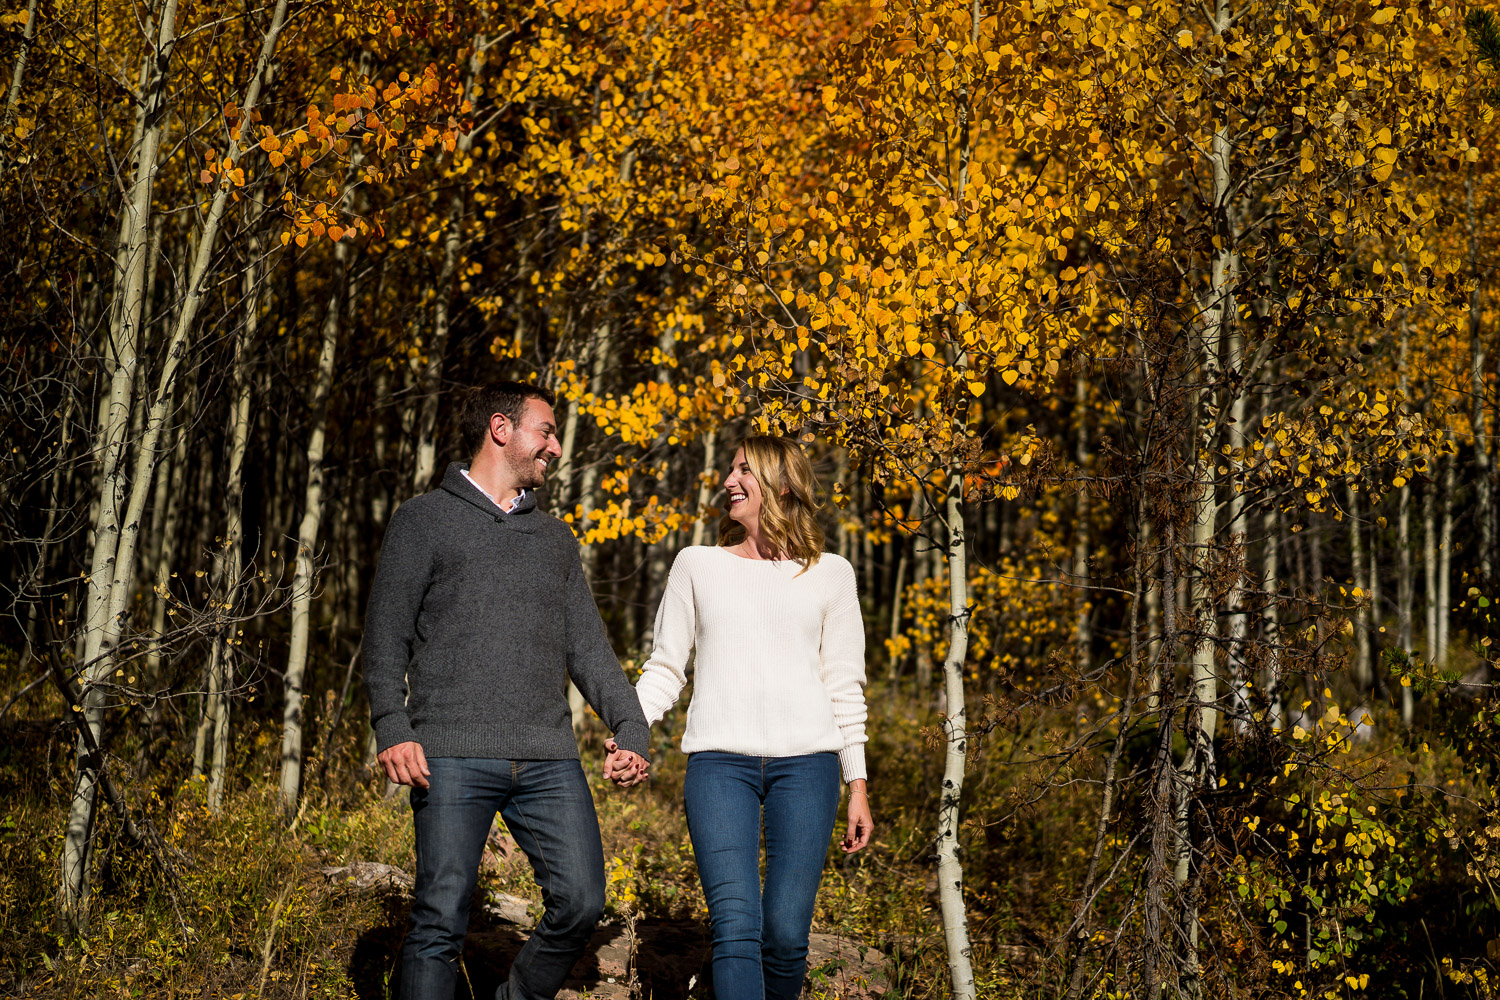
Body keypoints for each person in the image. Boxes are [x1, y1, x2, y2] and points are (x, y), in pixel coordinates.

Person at [363, 380, 651, 1000]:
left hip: (547, 756)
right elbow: (384, 640)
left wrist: (631, 727)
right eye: (545, 431)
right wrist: (392, 726)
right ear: (501, 429)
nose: (554, 446)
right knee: (440, 918)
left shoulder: (554, 541)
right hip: (450, 753)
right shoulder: (422, 521)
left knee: (580, 900)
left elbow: (589, 649)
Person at [606, 435, 873, 1000]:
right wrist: (632, 730)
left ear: (781, 483)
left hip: (808, 767)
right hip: (719, 764)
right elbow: (665, 667)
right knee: (734, 927)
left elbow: (844, 685)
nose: (728, 481)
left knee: (784, 935)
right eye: (729, 470)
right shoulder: (697, 565)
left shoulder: (832, 574)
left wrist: (858, 783)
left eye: (743, 470)